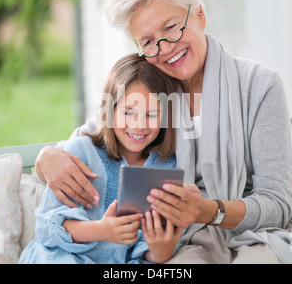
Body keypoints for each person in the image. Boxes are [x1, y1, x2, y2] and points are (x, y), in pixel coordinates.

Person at [35, 0, 292, 263]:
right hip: (188, 237)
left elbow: (276, 203)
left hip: (268, 229)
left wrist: (208, 210)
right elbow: (95, 136)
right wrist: (47, 158)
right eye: (147, 41)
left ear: (199, 14)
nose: (165, 47)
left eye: (171, 27)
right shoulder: (149, 89)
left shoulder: (258, 85)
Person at [19, 53, 183, 264]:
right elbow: (47, 227)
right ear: (110, 110)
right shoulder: (82, 151)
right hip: (60, 256)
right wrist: (101, 230)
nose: (139, 124)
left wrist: (162, 251)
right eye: (128, 112)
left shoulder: (167, 167)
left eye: (151, 115)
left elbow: (147, 253)